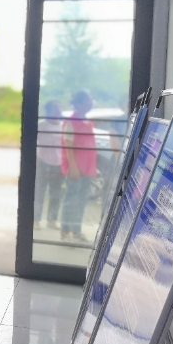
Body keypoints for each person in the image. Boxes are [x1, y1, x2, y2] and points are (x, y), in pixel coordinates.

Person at [60, 90, 97, 242]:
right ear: (79, 103)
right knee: (70, 201)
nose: (91, 103)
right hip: (76, 169)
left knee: (81, 201)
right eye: (88, 100)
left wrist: (92, 167)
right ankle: (65, 233)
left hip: (87, 168)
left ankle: (76, 231)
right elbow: (68, 146)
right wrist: (73, 168)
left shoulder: (87, 122)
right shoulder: (71, 122)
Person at [34, 99, 64, 231]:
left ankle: (52, 220)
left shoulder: (63, 126)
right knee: (39, 193)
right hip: (43, 162)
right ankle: (35, 220)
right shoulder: (41, 125)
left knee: (56, 194)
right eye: (56, 108)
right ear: (48, 111)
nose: (59, 111)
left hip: (58, 164)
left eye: (60, 108)